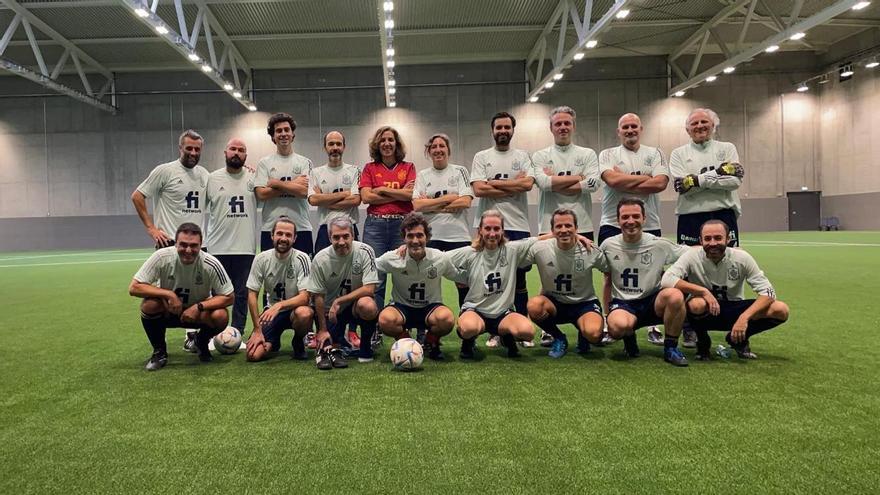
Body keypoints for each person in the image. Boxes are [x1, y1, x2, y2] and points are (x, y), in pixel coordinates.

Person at [448, 210, 591, 359]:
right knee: (468, 328)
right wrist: (461, 277)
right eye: (488, 228)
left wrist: (576, 236)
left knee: (527, 332)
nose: (492, 233)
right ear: (480, 231)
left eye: (496, 229)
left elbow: (538, 239)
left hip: (502, 314)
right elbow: (442, 260)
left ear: (502, 231)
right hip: (475, 311)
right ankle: (468, 341)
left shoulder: (512, 250)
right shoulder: (470, 252)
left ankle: (505, 335)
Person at [669, 108, 745, 347]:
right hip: (690, 216)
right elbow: (681, 186)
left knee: (730, 264)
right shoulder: (678, 153)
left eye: (705, 122)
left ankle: (734, 323)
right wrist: (718, 174)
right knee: (687, 267)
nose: (700, 126)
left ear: (713, 126)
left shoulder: (727, 148)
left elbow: (734, 180)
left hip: (724, 213)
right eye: (694, 123)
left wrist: (698, 180)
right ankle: (689, 325)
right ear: (687, 128)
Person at [661, 219, 789, 360]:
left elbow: (768, 292)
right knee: (696, 304)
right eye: (707, 239)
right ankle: (703, 341)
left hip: (734, 308)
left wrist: (744, 318)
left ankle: (738, 339)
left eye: (718, 238)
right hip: (706, 311)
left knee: (780, 309)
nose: (713, 243)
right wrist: (703, 292)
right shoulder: (692, 256)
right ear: (701, 240)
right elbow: (667, 279)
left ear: (728, 239)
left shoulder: (742, 258)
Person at [132, 129, 210, 353]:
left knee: (198, 293)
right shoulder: (165, 171)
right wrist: (151, 228)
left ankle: (194, 338)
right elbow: (137, 195)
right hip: (169, 246)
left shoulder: (204, 175)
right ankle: (160, 347)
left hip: (198, 246)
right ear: (180, 148)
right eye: (189, 148)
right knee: (159, 298)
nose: (193, 152)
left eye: (197, 149)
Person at [598, 113, 669, 346]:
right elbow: (612, 181)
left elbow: (660, 183)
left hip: (649, 223)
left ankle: (652, 325)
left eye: (634, 126)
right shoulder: (607, 154)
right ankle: (611, 321)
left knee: (654, 275)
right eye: (625, 127)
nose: (630, 130)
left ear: (641, 128)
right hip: (611, 222)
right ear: (618, 131)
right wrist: (643, 179)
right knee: (610, 275)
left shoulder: (655, 153)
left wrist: (623, 178)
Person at [532, 106, 600, 347]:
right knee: (546, 274)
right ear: (551, 128)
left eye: (566, 123)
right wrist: (578, 179)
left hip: (582, 224)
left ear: (573, 126)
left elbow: (593, 184)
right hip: (547, 224)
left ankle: (585, 319)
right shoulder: (541, 155)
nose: (562, 127)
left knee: (584, 270)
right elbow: (542, 183)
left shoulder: (587, 153)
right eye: (558, 124)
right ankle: (548, 328)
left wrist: (555, 182)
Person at [469, 112, 536, 347]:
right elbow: (478, 189)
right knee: (491, 278)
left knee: (519, 279)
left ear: (513, 130)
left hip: (517, 225)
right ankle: (495, 330)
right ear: (492, 130)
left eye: (507, 127)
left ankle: (521, 325)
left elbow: (527, 184)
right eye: (499, 127)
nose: (503, 131)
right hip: (487, 225)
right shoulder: (482, 156)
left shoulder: (523, 156)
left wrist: (493, 183)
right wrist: (511, 187)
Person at [128, 223, 233, 371]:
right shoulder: (161, 257)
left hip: (196, 315)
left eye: (193, 246)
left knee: (220, 315)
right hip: (168, 311)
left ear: (201, 245)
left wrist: (199, 307)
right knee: (150, 305)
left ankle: (201, 342)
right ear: (175, 243)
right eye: (183, 245)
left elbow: (229, 297)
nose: (188, 250)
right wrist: (169, 294)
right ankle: (159, 352)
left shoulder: (211, 263)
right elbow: (134, 287)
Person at [600, 199, 690, 367]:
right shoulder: (608, 245)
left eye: (636, 216)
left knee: (675, 295)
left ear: (644, 218)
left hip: (652, 302)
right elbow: (606, 280)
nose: (630, 221)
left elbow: (692, 253)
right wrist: (606, 316)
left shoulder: (659, 244)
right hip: (624, 304)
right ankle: (628, 336)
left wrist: (730, 249)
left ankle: (670, 348)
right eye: (625, 217)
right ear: (617, 220)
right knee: (617, 327)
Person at [524, 209, 605, 358]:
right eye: (559, 227)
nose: (564, 230)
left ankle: (584, 334)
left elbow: (609, 271)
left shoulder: (590, 249)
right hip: (556, 304)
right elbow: (517, 250)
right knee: (534, 306)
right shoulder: (540, 248)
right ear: (552, 230)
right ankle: (559, 338)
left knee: (594, 334)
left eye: (568, 226)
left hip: (584, 303)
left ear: (576, 228)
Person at [375, 213, 456, 360]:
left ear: (427, 237)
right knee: (385, 320)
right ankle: (408, 344)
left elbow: (457, 276)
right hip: (402, 307)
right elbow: (370, 266)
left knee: (447, 319)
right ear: (404, 238)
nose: (415, 240)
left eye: (419, 235)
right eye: (410, 236)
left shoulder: (440, 258)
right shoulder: (393, 257)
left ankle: (431, 342)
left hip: (430, 308)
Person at [308, 217, 380, 370]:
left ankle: (366, 346)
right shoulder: (320, 259)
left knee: (367, 304)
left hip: (354, 307)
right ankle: (336, 343)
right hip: (331, 312)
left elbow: (370, 288)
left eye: (345, 236)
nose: (341, 242)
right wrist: (322, 329)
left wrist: (339, 301)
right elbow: (318, 297)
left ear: (352, 236)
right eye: (336, 237)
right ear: (329, 238)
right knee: (330, 348)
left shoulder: (365, 251)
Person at [359, 126, 417, 314]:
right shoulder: (370, 168)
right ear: (377, 144)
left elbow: (411, 195)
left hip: (402, 225)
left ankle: (405, 320)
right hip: (375, 225)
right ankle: (375, 324)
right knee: (376, 275)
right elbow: (366, 197)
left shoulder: (408, 167)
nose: (386, 144)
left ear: (396, 143)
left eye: (390, 140)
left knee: (405, 273)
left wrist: (382, 190)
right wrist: (398, 193)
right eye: (383, 140)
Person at [412, 133, 473, 307]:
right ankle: (426, 326)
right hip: (432, 236)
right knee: (428, 280)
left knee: (463, 282)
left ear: (448, 150)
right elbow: (417, 205)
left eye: (442, 146)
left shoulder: (460, 171)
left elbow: (466, 201)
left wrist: (430, 204)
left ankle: (467, 321)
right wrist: (449, 199)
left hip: (458, 236)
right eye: (434, 147)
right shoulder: (423, 175)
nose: (438, 150)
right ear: (429, 152)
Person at [204, 138, 256, 336]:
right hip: (217, 247)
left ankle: (236, 333)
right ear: (225, 153)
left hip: (245, 247)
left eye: (241, 150)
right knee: (218, 295)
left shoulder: (253, 178)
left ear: (245, 156)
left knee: (241, 294)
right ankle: (214, 333)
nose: (236, 153)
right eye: (233, 149)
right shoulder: (212, 179)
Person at [243, 217, 313, 362]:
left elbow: (305, 297)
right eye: (280, 234)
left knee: (305, 313)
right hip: (272, 314)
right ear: (272, 235)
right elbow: (252, 294)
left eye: (288, 235)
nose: (283, 238)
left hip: (295, 311)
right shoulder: (261, 259)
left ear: (294, 238)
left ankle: (298, 341)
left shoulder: (302, 258)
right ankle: (273, 342)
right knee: (253, 356)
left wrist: (279, 305)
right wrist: (257, 329)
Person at [254, 112, 314, 256]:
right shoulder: (264, 163)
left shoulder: (305, 162)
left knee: (302, 274)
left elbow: (304, 192)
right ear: (273, 136)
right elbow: (261, 194)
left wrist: (275, 183)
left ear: (293, 134)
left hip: (301, 228)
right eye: (278, 131)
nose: (283, 134)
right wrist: (294, 184)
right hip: (271, 228)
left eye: (287, 130)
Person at [308, 130, 362, 254]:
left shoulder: (355, 171)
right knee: (323, 269)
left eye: (338, 144)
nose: (335, 148)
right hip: (325, 230)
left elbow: (356, 200)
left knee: (352, 270)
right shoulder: (315, 173)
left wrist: (323, 200)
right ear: (325, 147)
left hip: (349, 228)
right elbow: (313, 200)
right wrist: (344, 194)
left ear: (344, 146)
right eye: (331, 144)